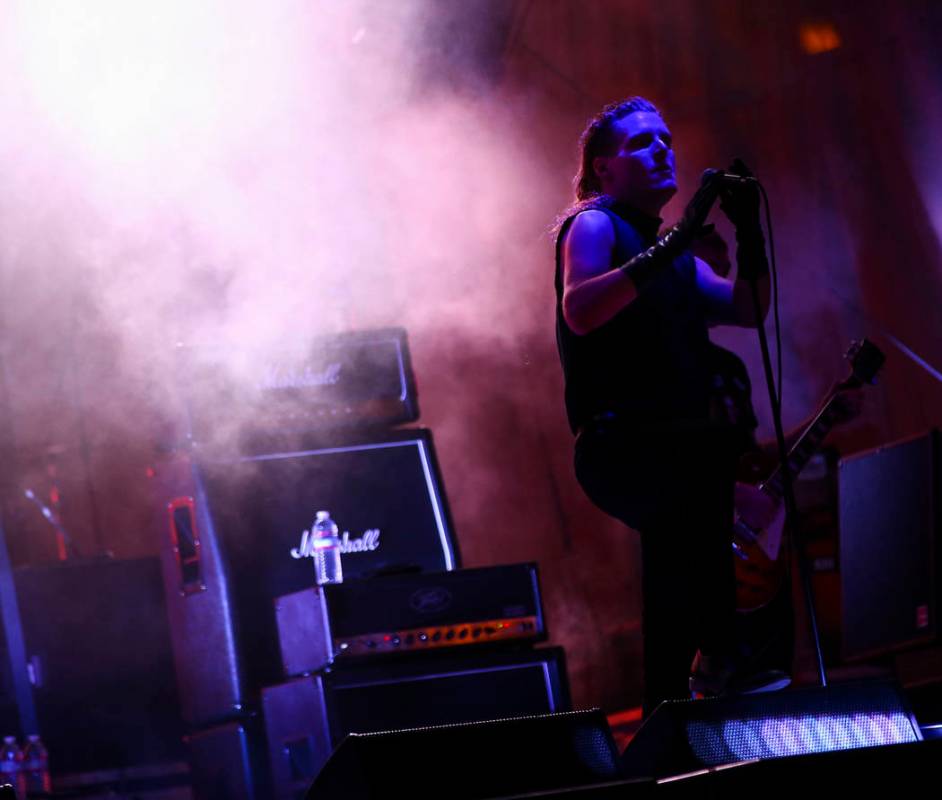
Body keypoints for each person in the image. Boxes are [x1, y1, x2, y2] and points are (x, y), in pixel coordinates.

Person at [553, 97, 775, 718]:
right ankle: (692, 683)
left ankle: (698, 681)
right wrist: (679, 242)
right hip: (621, 442)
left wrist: (748, 234)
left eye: (667, 140)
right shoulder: (595, 225)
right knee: (687, 516)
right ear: (604, 169)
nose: (662, 150)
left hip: (675, 442)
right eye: (642, 144)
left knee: (692, 534)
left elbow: (748, 309)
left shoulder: (672, 254)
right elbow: (582, 308)